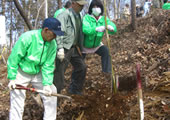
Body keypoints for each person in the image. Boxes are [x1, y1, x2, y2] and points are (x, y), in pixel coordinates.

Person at [7, 17, 64, 120]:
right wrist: (12, 78)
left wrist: (47, 84)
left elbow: (48, 65)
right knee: (17, 99)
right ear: (46, 30)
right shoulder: (28, 37)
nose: (55, 37)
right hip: (21, 71)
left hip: (37, 72)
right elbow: (14, 58)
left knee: (52, 91)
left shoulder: (52, 44)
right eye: (54, 33)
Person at [53, 0, 88, 95]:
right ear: (73, 4)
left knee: (82, 67)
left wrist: (82, 46)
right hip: (64, 47)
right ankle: (55, 96)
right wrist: (60, 48)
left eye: (83, 6)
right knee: (59, 73)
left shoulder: (80, 16)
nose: (82, 7)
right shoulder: (64, 15)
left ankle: (75, 89)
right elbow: (59, 31)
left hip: (75, 48)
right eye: (80, 5)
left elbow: (80, 32)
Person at [82, 0, 117, 78]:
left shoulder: (104, 19)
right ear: (91, 8)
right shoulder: (87, 18)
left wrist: (112, 28)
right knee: (80, 65)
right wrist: (96, 29)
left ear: (101, 8)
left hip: (97, 45)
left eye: (98, 7)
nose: (96, 9)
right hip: (84, 45)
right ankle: (80, 78)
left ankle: (106, 73)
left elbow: (114, 29)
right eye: (94, 7)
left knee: (106, 51)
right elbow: (85, 29)